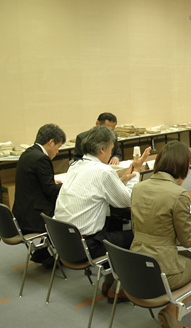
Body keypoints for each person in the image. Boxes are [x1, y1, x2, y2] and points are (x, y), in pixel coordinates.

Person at [54, 126, 150, 303]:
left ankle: (109, 282)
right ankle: (119, 289)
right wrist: (135, 173)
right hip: (87, 247)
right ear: (102, 149)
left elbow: (101, 189)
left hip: (65, 243)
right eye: (112, 149)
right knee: (140, 235)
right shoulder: (103, 171)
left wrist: (125, 177)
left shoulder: (75, 166)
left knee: (112, 222)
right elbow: (128, 200)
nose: (111, 153)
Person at [130, 141, 191, 328]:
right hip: (162, 271)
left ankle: (171, 311)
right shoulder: (178, 194)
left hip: (135, 265)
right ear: (182, 167)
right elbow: (189, 241)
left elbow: (139, 226)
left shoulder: (138, 188)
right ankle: (171, 310)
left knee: (185, 256)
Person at [12, 123, 66, 268]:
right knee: (67, 213)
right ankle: (68, 255)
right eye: (58, 147)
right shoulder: (42, 159)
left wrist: (52, 182)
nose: (57, 151)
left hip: (21, 212)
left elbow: (36, 181)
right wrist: (67, 185)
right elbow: (50, 190)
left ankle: (41, 253)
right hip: (34, 216)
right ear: (50, 142)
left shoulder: (28, 153)